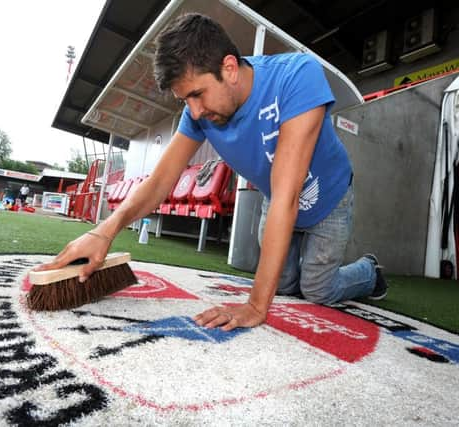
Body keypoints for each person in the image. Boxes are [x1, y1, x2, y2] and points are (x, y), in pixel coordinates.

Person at [35, 13, 387, 331]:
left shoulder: (298, 76)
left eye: (198, 94)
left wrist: (255, 306)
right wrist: (104, 231)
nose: (195, 111)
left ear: (230, 68)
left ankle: (369, 272)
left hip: (327, 197)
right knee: (281, 284)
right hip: (275, 199)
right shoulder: (197, 114)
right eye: (185, 100)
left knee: (316, 290)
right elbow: (160, 182)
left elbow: (288, 195)